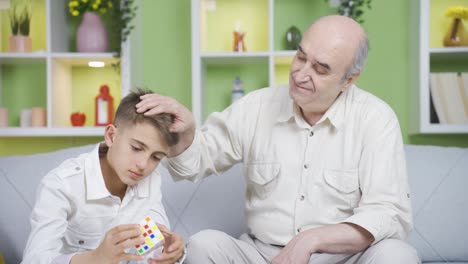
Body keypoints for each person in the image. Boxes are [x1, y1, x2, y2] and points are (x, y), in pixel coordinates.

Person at [136, 15, 421, 264]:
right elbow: (197, 162)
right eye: (300, 56)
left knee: (398, 255)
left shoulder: (376, 119)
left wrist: (310, 241)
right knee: (203, 245)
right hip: (263, 255)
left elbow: (388, 215)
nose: (301, 73)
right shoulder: (257, 106)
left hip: (343, 257)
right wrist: (184, 133)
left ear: (348, 80)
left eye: (320, 69)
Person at [22, 89, 186, 264]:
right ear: (111, 136)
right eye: (137, 148)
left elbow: (149, 246)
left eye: (156, 157)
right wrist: (94, 258)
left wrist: (166, 252)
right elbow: (34, 260)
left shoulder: (150, 181)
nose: (143, 165)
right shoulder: (62, 184)